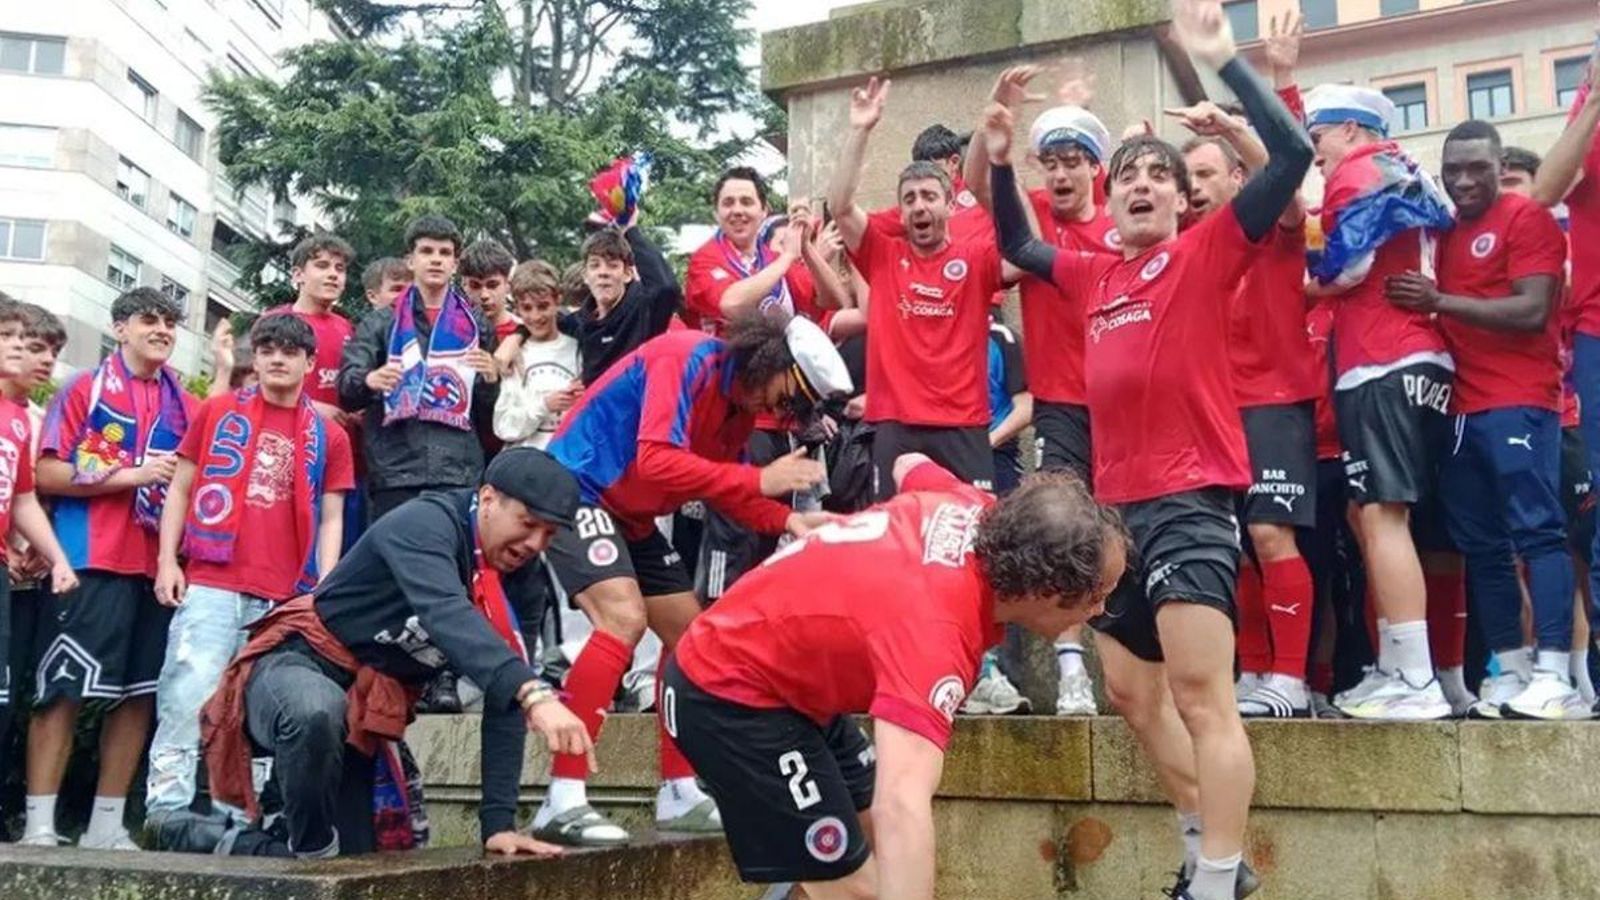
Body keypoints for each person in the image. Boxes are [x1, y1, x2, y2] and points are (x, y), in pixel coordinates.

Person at [989, 0, 1311, 894]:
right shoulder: (1093, 271)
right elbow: (1016, 240)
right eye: (1125, 174)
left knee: (1203, 698)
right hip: (1113, 512)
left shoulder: (1211, 251)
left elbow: (1291, 158)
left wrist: (1222, 61)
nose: (1137, 184)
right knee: (1134, 696)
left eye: (1155, 176)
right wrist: (1001, 151)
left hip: (1192, 500)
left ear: (1179, 197)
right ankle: (1207, 845)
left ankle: (1213, 880)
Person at [665, 455, 1125, 898]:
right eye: (1096, 596)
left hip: (789, 683)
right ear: (1046, 590)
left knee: (880, 853)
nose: (1101, 611)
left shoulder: (970, 505)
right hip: (726, 693)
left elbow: (908, 462)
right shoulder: (936, 633)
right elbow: (902, 803)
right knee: (861, 886)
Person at [530, 316, 848, 846]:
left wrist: (785, 519)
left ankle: (678, 792)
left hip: (630, 515)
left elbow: (725, 488)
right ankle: (560, 798)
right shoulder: (687, 358)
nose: (786, 415)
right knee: (623, 619)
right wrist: (759, 479)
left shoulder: (738, 411)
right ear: (770, 363)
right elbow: (657, 460)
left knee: (693, 639)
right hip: (576, 488)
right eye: (791, 398)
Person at [189, 448, 592, 858]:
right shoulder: (426, 523)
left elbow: (503, 688)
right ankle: (295, 849)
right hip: (296, 666)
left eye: (549, 534)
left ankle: (251, 844)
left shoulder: (518, 578)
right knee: (316, 712)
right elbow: (445, 611)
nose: (534, 544)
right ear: (488, 499)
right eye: (527, 524)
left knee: (361, 862)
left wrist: (498, 825)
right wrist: (534, 692)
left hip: (365, 716)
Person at [1384, 121, 1577, 718]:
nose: (1464, 180)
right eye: (1454, 170)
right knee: (1483, 546)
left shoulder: (1526, 220)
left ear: (1498, 167)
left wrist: (1438, 301)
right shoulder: (1442, 234)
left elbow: (1532, 308)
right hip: (1461, 410)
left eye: (1478, 168)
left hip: (1521, 400)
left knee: (1538, 531)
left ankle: (1557, 673)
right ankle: (1511, 670)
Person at [144, 314, 357, 840]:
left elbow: (332, 517)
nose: (277, 358)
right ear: (255, 358)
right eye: (267, 349)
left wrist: (322, 592)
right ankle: (164, 807)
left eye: (290, 350)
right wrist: (168, 561)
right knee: (187, 691)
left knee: (257, 709)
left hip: (287, 596)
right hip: (213, 579)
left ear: (311, 363)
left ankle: (247, 818)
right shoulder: (216, 411)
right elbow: (182, 488)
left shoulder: (329, 435)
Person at [1167, 14, 1317, 719]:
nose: (1194, 188)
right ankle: (1256, 670)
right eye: (1186, 176)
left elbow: (1288, 163)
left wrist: (1239, 116)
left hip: (1275, 401)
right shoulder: (1195, 243)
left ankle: (1290, 676)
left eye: (1205, 175)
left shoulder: (1279, 223)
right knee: (1239, 544)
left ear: (1236, 173)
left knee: (1269, 533)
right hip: (1213, 409)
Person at [1303, 83, 1460, 720]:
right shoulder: (1413, 170)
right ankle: (1404, 665)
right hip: (1427, 357)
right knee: (1385, 518)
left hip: (1380, 359)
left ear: (1349, 129)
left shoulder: (1360, 173)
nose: (1316, 156)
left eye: (1318, 140)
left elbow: (1343, 271)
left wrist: (1302, 268)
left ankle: (1415, 676)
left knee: (1382, 515)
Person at [967, 69, 1120, 720]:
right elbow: (977, 184)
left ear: (1095, 169)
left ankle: (1133, 672)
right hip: (1060, 403)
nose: (1059, 175)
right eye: (1049, 162)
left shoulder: (1121, 222)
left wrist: (1076, 108)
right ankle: (1071, 675)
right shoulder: (1034, 221)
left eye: (1072, 162)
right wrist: (997, 117)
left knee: (1126, 536)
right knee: (1063, 537)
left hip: (1127, 405)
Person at [26, 287, 198, 850]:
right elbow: (46, 474)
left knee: (139, 693)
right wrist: (133, 474)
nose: (162, 330)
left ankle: (105, 825)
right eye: (149, 319)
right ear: (120, 327)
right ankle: (39, 825)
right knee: (63, 689)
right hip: (88, 555)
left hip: (157, 564)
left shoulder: (184, 403)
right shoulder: (84, 387)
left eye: (171, 322)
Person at [828, 76, 1007, 500]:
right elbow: (839, 206)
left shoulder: (977, 257)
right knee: (897, 544)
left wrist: (993, 134)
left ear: (949, 203)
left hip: (964, 425)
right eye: (909, 199)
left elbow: (1022, 244)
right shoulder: (881, 254)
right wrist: (861, 130)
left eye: (929, 196)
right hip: (896, 427)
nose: (919, 206)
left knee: (973, 540)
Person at [683, 168, 851, 604]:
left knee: (766, 533)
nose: (738, 211)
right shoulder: (708, 259)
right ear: (717, 210)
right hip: (731, 421)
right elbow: (732, 304)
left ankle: (747, 647)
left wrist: (806, 249)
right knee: (730, 535)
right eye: (729, 203)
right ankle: (710, 631)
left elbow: (834, 301)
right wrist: (783, 260)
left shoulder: (769, 260)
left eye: (747, 202)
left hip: (781, 423)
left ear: (763, 210)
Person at [337, 214, 501, 524]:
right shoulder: (381, 322)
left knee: (451, 566)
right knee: (393, 566)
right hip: (394, 472)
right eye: (427, 251)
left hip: (458, 472)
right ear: (411, 260)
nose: (436, 260)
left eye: (444, 253)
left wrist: (491, 381)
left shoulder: (476, 324)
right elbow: (346, 389)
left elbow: (490, 416)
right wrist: (370, 380)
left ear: (455, 263)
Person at [0, 295, 78, 770]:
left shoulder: (19, 421)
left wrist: (58, 556)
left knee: (6, 695)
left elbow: (23, 497)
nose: (36, 355)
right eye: (10, 339)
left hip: (13, 573)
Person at [498, 220, 682, 388]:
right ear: (586, 275)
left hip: (637, 415)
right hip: (594, 417)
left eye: (612, 265)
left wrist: (630, 230)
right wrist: (514, 338)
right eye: (595, 265)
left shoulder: (643, 312)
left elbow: (667, 288)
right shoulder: (578, 323)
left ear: (627, 274)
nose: (603, 272)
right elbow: (541, 321)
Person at [266, 234, 357, 422]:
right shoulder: (274, 321)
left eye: (340, 269)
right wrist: (311, 407)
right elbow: (254, 385)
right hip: (291, 436)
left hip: (343, 442)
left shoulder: (346, 327)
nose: (333, 274)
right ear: (298, 275)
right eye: (322, 266)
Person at [493, 260, 582, 452]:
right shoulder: (513, 354)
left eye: (543, 306)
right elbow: (503, 426)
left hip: (568, 464)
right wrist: (545, 405)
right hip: (525, 465)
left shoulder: (578, 350)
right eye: (526, 308)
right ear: (516, 307)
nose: (535, 316)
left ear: (557, 300)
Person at [460, 239, 522, 344]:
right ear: (464, 286)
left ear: (508, 284)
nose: (484, 295)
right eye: (475, 286)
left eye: (492, 285)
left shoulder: (527, 334)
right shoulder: (453, 334)